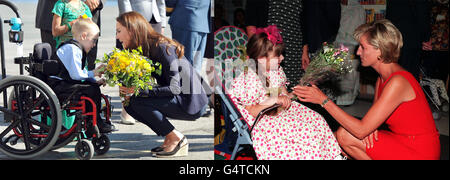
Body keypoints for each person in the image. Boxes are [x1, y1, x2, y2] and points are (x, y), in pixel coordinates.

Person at [293, 19, 441, 160]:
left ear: (379, 51)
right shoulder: (382, 78)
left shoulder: (398, 82)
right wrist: (368, 129)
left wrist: (323, 100)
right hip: (401, 140)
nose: (358, 52)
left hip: (421, 151)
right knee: (339, 139)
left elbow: (361, 130)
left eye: (363, 47)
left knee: (344, 136)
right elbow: (369, 125)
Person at [228, 25, 341, 160]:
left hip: (281, 112)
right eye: (277, 55)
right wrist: (274, 100)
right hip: (264, 120)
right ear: (261, 59)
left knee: (317, 120)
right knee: (304, 134)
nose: (282, 57)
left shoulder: (275, 72)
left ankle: (331, 156)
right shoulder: (249, 78)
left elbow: (285, 96)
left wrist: (300, 89)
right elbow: (251, 110)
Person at [115, 12, 208, 157]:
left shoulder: (162, 48)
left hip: (190, 102)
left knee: (138, 100)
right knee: (129, 104)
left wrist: (141, 90)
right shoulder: (144, 46)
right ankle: (169, 137)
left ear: (132, 30)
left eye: (119, 31)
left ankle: (177, 138)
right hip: (180, 97)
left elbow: (175, 88)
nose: (117, 37)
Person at [48, 18, 112, 133]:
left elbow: (80, 72)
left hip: (64, 82)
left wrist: (93, 80)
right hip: (57, 85)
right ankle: (94, 122)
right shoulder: (72, 49)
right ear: (83, 36)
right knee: (91, 90)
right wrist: (94, 73)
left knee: (92, 87)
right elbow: (77, 75)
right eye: (93, 40)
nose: (94, 45)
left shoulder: (76, 48)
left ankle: (92, 122)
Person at [117, 0, 167, 125]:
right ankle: (126, 109)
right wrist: (126, 24)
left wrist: (162, 23)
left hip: (155, 20)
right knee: (128, 64)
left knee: (149, 65)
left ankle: (144, 106)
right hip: (133, 21)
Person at [385, 0, 431, 79]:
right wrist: (425, 38)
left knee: (393, 72)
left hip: (392, 37)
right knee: (409, 75)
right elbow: (422, 14)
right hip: (411, 39)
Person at [166, 0, 212, 74]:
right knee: (196, 63)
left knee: (184, 60)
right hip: (202, 22)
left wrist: (167, 9)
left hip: (186, 20)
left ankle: (187, 84)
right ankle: (192, 84)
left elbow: (170, 3)